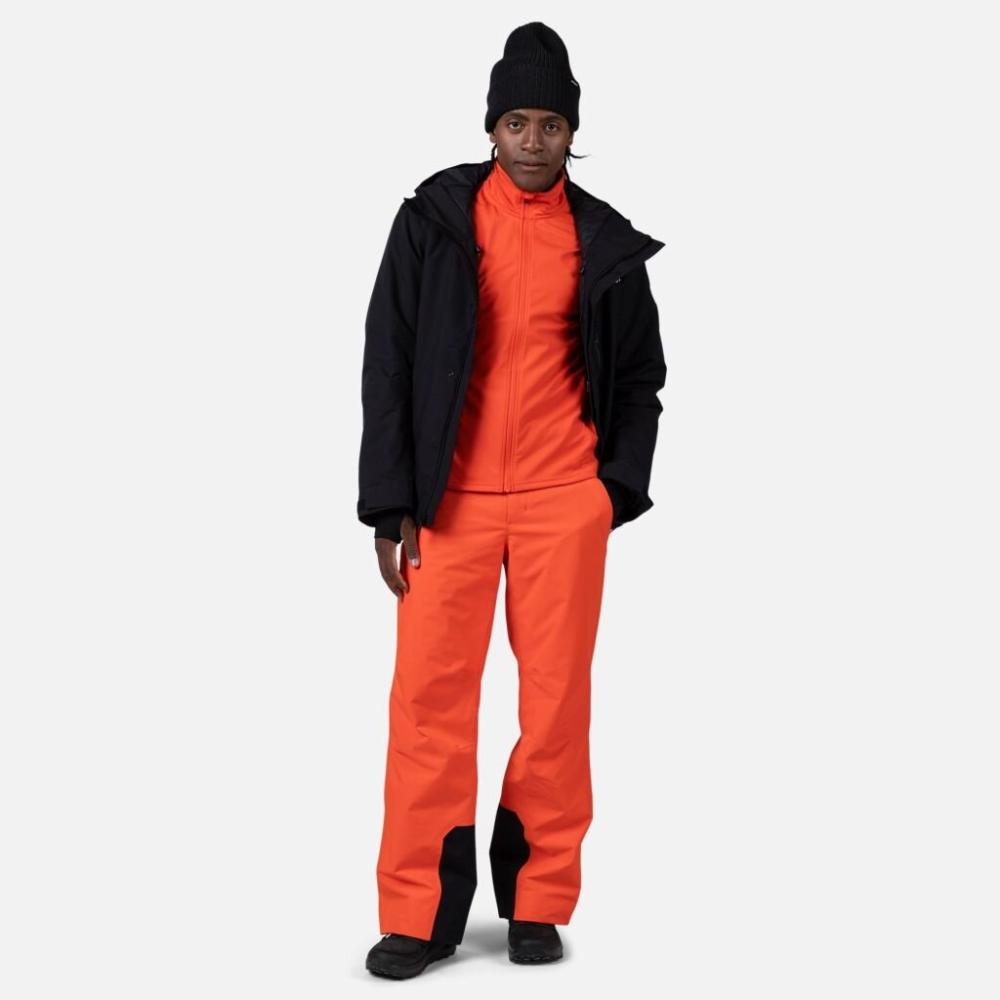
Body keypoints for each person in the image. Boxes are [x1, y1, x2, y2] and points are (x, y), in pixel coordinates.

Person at [358, 21, 668, 979]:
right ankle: (419, 913)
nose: (534, 141)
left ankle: (537, 901)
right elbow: (388, 363)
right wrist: (390, 502)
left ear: (574, 132)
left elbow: (640, 379)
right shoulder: (434, 221)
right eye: (517, 122)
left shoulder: (602, 240)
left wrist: (609, 493)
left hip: (560, 503)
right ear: (491, 127)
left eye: (552, 124)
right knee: (427, 706)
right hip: (446, 505)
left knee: (557, 705)